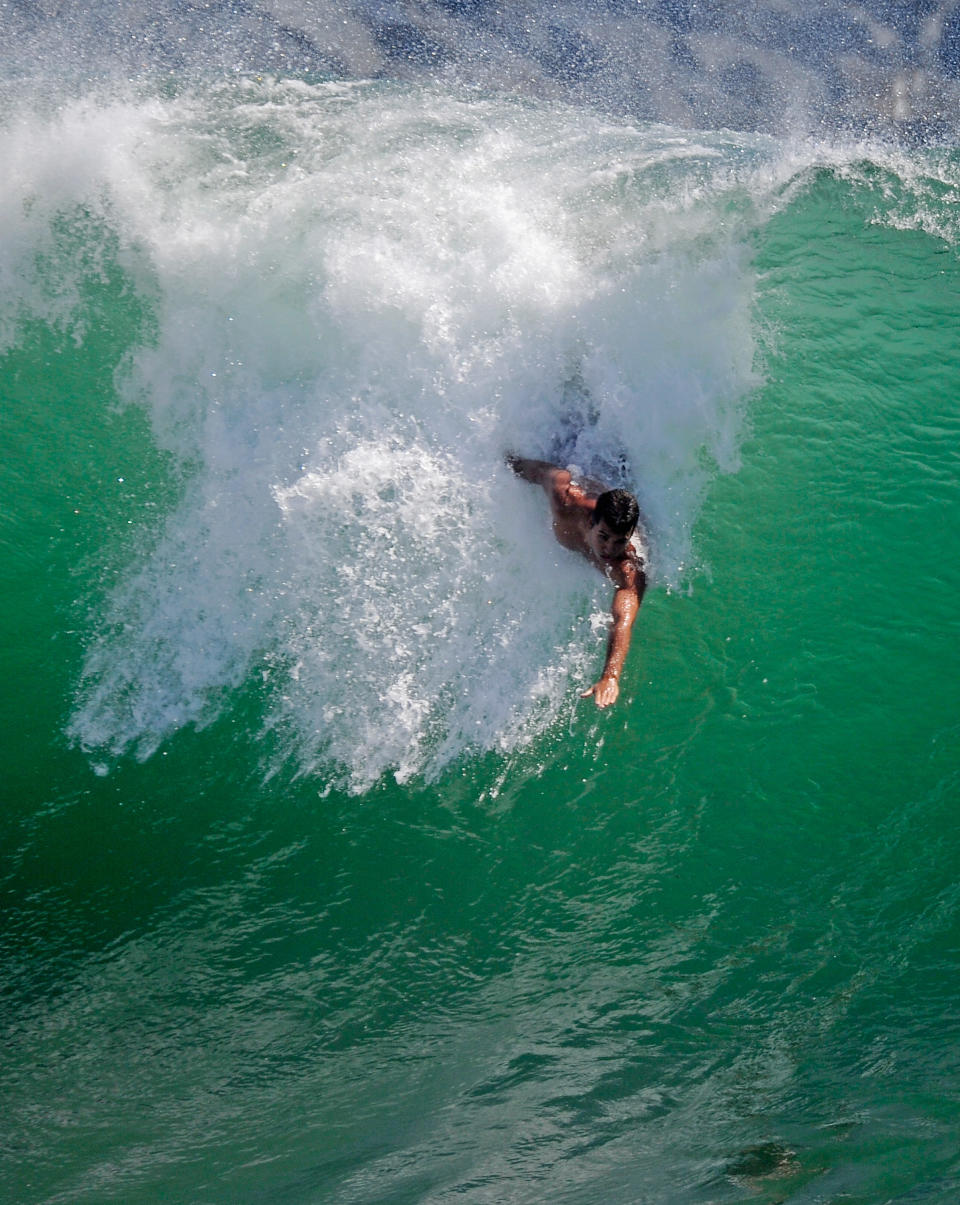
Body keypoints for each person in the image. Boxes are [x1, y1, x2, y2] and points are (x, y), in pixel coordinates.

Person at [506, 454, 646, 708]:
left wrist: (611, 676)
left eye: (619, 541)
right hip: (586, 459)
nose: (609, 548)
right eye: (603, 536)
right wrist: (505, 461)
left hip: (614, 478)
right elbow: (537, 472)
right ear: (591, 522)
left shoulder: (625, 568)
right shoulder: (566, 498)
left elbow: (622, 620)